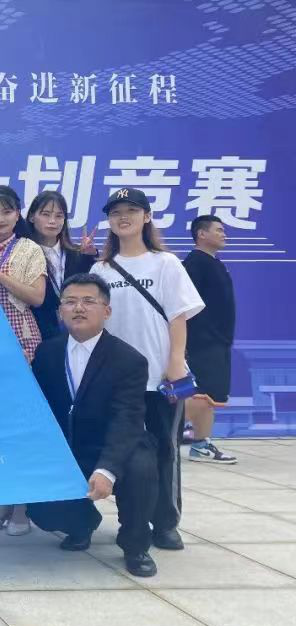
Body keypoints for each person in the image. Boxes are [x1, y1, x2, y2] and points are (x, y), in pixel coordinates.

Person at [91, 187, 203, 552]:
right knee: (125, 455)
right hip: (118, 381)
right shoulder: (100, 270)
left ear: (147, 216)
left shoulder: (165, 263)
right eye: (116, 212)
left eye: (131, 210)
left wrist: (175, 362)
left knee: (165, 451)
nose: (123, 217)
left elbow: (178, 316)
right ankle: (133, 521)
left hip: (162, 377)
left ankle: (166, 523)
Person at [27, 273, 160, 578]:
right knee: (41, 508)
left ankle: (135, 545)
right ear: (60, 310)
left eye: (89, 301)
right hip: (70, 445)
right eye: (70, 302)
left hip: (116, 444)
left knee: (140, 469)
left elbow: (127, 419)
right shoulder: (47, 353)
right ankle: (82, 523)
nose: (79, 308)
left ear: (107, 311)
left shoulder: (129, 360)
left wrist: (107, 469)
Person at [0, 185, 47, 536]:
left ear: (18, 214)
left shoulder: (29, 249)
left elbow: (37, 297)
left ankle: (22, 510)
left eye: (6, 211)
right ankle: (3, 504)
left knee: (23, 428)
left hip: (21, 344)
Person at [183, 215, 238, 464]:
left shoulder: (214, 263)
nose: (224, 234)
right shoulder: (195, 264)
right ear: (201, 234)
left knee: (209, 397)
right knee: (202, 396)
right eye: (219, 230)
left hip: (217, 341)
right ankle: (164, 430)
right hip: (201, 342)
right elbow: (183, 306)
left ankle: (199, 443)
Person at [25, 190, 98, 340]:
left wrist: (89, 256)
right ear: (32, 217)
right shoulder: (23, 253)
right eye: (46, 214)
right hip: (37, 334)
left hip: (76, 333)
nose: (52, 221)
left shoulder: (77, 254)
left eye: (59, 216)